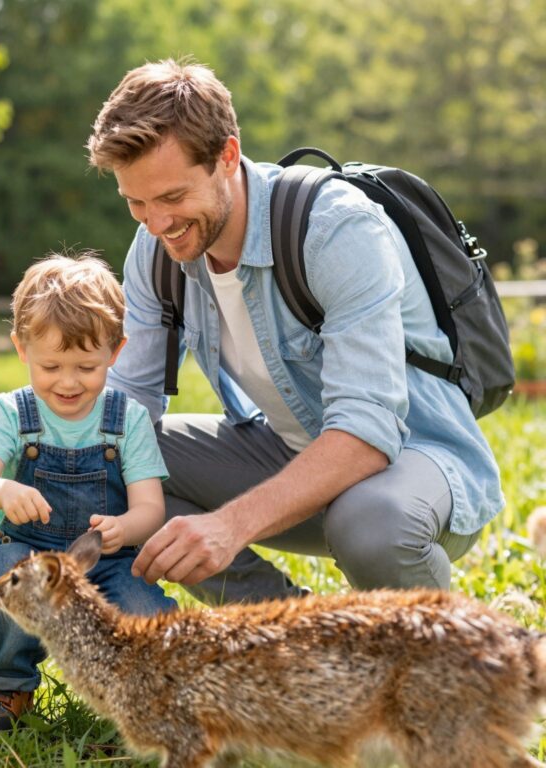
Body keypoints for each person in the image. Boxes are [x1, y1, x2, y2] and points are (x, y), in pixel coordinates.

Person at [86, 59, 504, 604]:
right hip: (288, 452)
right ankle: (289, 637)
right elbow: (129, 406)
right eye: (135, 203)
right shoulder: (157, 250)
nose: (156, 223)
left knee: (371, 523)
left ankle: (447, 658)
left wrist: (229, 525)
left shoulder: (335, 229)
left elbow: (366, 438)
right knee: (110, 464)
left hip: (412, 464)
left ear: (227, 155)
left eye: (171, 197)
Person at [0, 254, 176, 739]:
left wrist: (127, 528)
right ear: (21, 349)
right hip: (32, 553)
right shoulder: (12, 412)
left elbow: (150, 508)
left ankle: (143, 693)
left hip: (108, 559)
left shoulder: (128, 418)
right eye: (51, 365)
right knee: (2, 572)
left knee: (144, 612)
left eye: (87, 366)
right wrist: (4, 488)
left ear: (115, 352)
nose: (69, 381)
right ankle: (5, 686)